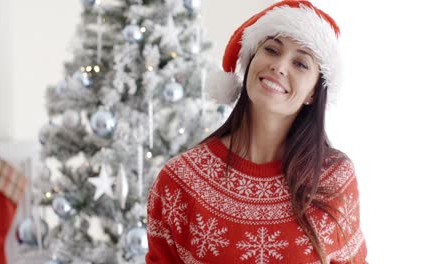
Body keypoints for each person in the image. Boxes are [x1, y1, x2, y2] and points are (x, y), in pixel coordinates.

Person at [145, 1, 367, 263]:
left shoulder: (334, 178)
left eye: (301, 64)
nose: (280, 66)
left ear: (313, 92)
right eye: (271, 50)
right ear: (250, 61)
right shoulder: (180, 180)